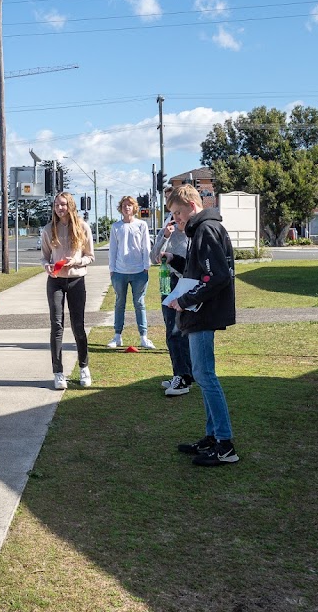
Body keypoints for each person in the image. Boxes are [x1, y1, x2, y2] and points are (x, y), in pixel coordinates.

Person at [164, 184, 239, 466]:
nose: (176, 221)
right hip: (200, 313)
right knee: (203, 374)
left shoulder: (206, 229)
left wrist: (184, 301)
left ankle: (225, 444)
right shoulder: (201, 230)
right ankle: (212, 437)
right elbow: (200, 271)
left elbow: (217, 276)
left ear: (192, 207)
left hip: (203, 314)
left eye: (178, 214)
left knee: (205, 376)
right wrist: (175, 259)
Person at [40, 192, 96, 391]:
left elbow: (90, 256)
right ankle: (58, 372)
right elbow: (44, 257)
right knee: (56, 326)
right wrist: (47, 265)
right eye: (56, 205)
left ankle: (84, 367)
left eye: (63, 204)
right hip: (55, 281)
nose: (59, 208)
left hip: (76, 280)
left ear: (70, 206)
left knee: (78, 325)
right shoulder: (48, 229)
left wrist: (77, 261)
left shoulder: (82, 227)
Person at [150, 202, 194, 396]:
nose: (174, 216)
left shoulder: (191, 230)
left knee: (180, 331)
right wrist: (165, 237)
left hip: (185, 282)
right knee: (172, 330)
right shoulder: (167, 229)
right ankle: (180, 374)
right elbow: (154, 257)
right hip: (167, 282)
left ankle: (184, 377)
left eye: (177, 211)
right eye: (171, 212)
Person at [107, 195, 155, 349]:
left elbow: (146, 246)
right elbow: (113, 249)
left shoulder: (141, 225)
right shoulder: (116, 227)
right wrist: (112, 269)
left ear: (134, 208)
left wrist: (146, 266)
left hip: (139, 271)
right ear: (120, 208)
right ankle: (117, 336)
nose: (126, 207)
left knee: (139, 303)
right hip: (120, 271)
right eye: (124, 205)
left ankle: (144, 337)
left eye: (129, 205)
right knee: (119, 303)